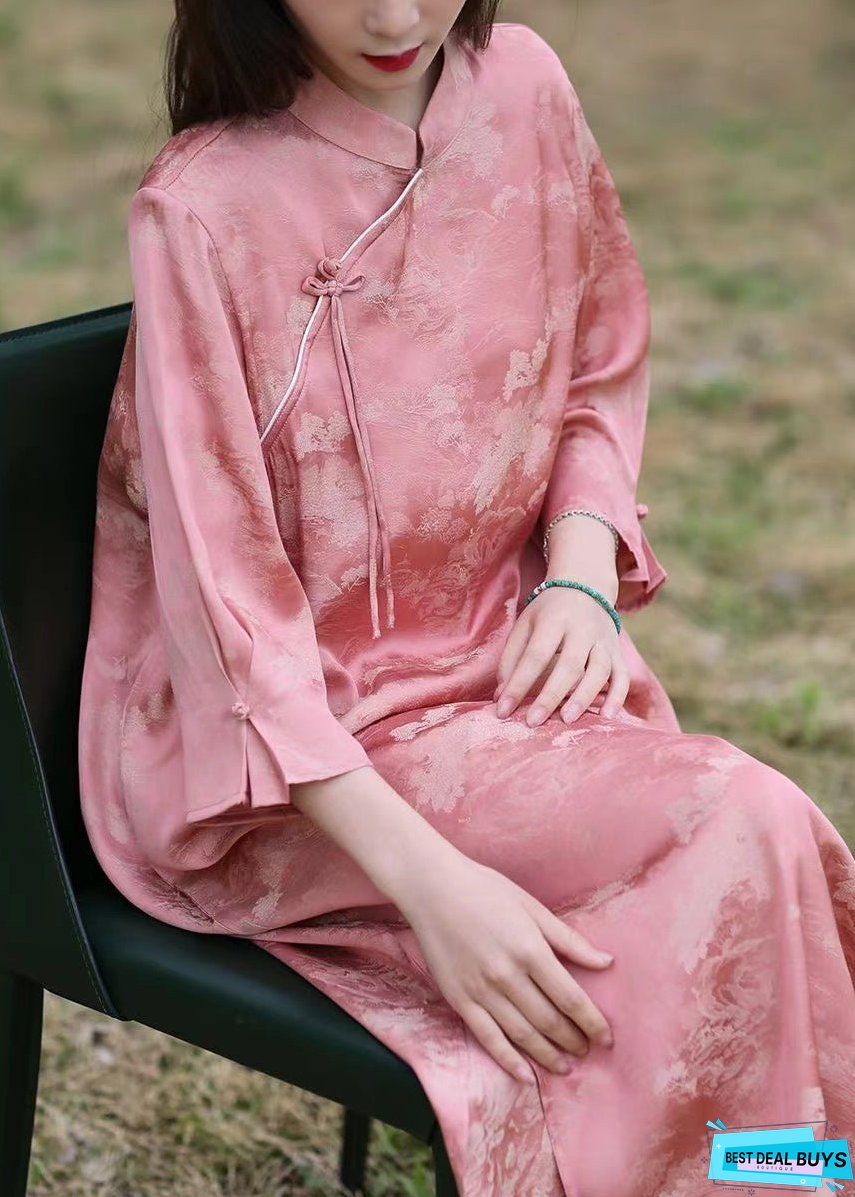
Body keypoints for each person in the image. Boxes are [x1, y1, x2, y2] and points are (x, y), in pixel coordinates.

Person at [77, 1, 855, 1193]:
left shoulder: (524, 87)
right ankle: (773, 1179)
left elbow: (598, 358)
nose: (396, 15)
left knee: (759, 846)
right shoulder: (201, 210)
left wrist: (582, 576)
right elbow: (229, 625)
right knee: (741, 826)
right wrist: (436, 892)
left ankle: (784, 1174)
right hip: (293, 769)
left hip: (507, 672)